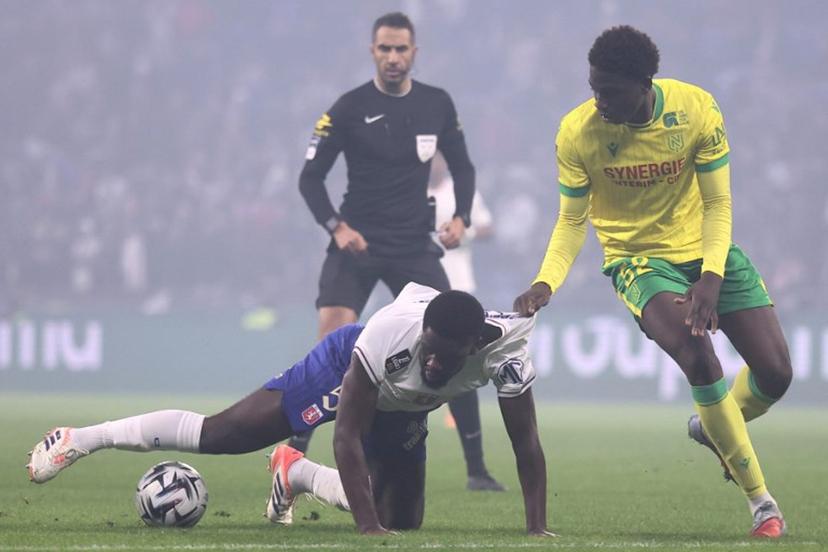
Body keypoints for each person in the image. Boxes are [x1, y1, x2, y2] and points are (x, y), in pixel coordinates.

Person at [513, 26, 792, 539]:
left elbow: (718, 204)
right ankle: (763, 505)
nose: (597, 101)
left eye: (610, 91)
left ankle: (712, 429)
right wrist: (545, 282)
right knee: (697, 352)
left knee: (776, 375)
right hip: (638, 261)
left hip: (708, 250)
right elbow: (573, 221)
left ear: (645, 83)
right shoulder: (577, 132)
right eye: (593, 88)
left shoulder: (696, 110)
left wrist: (711, 275)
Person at [27, 283, 555, 537]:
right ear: (422, 332)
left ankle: (294, 471)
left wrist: (536, 531)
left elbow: (525, 444)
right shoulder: (389, 335)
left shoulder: (506, 351)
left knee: (405, 521)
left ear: (473, 346)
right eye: (429, 348)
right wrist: (367, 531)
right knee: (227, 433)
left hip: (406, 405)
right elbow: (345, 435)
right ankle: (81, 438)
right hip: (350, 370)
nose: (435, 360)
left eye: (446, 355)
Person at [295, 11, 502, 491]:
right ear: (372, 51)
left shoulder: (437, 104)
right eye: (384, 49)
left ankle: (477, 469)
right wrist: (336, 226)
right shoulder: (347, 108)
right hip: (358, 242)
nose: (393, 57)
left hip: (412, 243)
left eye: (400, 49)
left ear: (414, 52)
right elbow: (310, 178)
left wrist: (461, 217)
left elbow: (465, 168)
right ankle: (293, 451)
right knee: (331, 338)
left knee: (459, 336)